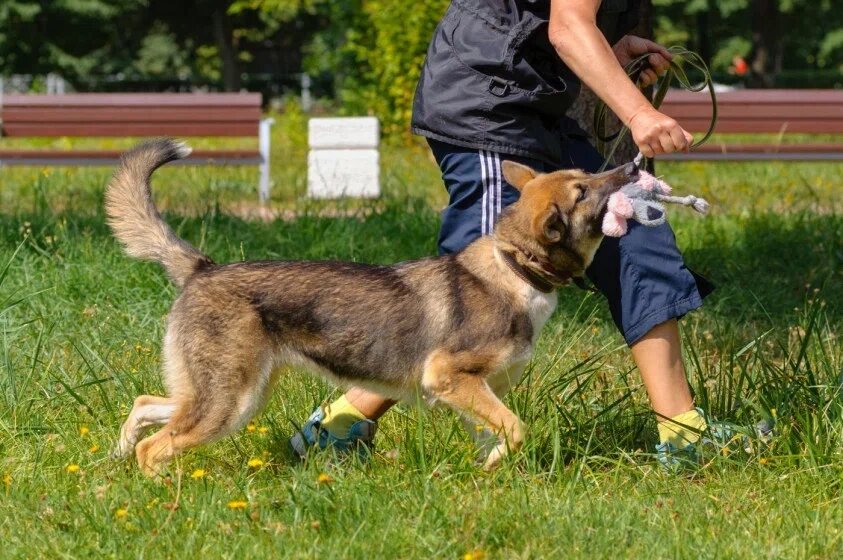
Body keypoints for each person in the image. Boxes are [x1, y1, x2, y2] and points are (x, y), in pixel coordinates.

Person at [290, 0, 714, 467]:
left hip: (542, 102)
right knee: (478, 298)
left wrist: (610, 55)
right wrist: (639, 114)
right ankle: (339, 425)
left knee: (635, 230)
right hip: (489, 97)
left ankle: (684, 437)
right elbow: (568, 26)